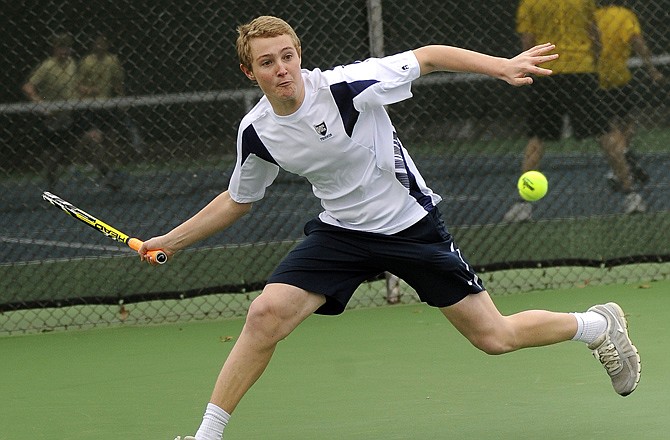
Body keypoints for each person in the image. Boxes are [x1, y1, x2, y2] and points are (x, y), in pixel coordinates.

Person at [138, 16, 640, 440]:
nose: (281, 69)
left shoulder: (346, 87)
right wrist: (170, 242)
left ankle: (597, 326)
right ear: (250, 71)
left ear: (298, 55)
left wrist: (501, 67)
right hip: (342, 233)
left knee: (496, 337)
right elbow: (237, 199)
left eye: (287, 56)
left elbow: (431, 55)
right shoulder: (257, 131)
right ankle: (207, 435)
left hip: (410, 227)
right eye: (267, 62)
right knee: (265, 314)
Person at [503, 0, 605, 222]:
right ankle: (632, 195)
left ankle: (523, 206)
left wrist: (528, 69)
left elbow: (528, 42)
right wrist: (593, 63)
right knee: (604, 132)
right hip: (581, 71)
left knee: (538, 136)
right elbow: (595, 35)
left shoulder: (530, 3)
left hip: (547, 74)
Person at [595, 0, 665, 214]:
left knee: (610, 126)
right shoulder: (624, 15)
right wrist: (651, 68)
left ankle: (620, 161)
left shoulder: (592, 17)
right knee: (627, 120)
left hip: (597, 78)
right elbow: (637, 41)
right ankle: (623, 155)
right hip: (619, 78)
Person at [22, 33, 79, 187]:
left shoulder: (72, 63)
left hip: (70, 113)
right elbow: (28, 87)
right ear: (54, 49)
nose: (64, 51)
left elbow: (73, 85)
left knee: (79, 142)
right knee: (53, 150)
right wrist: (42, 104)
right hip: (52, 115)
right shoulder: (48, 66)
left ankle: (105, 173)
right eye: (61, 47)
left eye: (67, 47)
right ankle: (51, 180)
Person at [77, 34, 126, 189]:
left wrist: (121, 99)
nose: (100, 46)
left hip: (108, 106)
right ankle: (102, 170)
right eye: (97, 43)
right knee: (95, 139)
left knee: (112, 138)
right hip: (91, 106)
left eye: (102, 43)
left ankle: (110, 170)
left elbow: (118, 82)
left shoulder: (112, 60)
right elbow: (78, 85)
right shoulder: (87, 62)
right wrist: (90, 90)